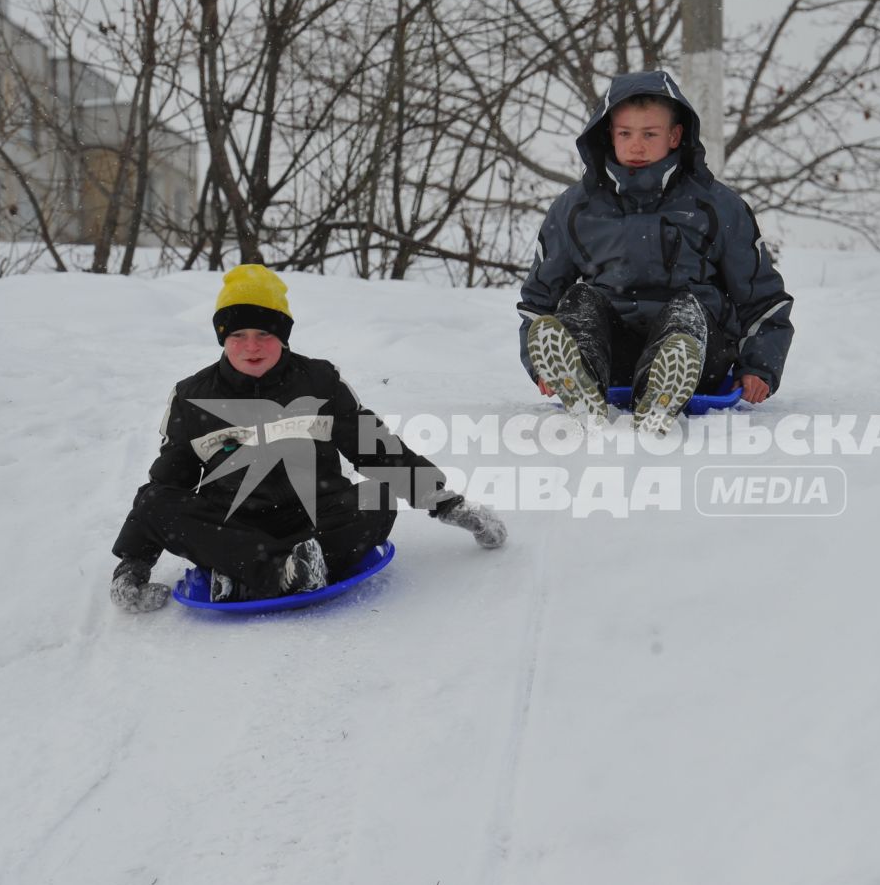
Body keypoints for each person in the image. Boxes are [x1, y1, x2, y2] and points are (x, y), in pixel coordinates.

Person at [110, 265, 506, 612]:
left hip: (319, 520)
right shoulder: (192, 395)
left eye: (264, 333)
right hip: (236, 529)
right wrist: (134, 562)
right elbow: (166, 485)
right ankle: (278, 571)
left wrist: (446, 501)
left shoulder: (319, 381)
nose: (251, 346)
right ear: (222, 337)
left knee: (378, 496)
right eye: (238, 334)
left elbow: (374, 447)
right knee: (154, 501)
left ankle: (245, 576)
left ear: (283, 335)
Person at [519, 71, 794, 434]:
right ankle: (579, 377)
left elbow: (762, 297)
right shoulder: (577, 209)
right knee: (580, 299)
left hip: (696, 356)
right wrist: (542, 367)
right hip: (612, 355)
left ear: (675, 136)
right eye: (625, 134)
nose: (636, 146)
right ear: (608, 135)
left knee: (686, 309)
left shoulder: (716, 207)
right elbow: (539, 300)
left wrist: (758, 367)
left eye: (649, 134)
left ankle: (662, 391)